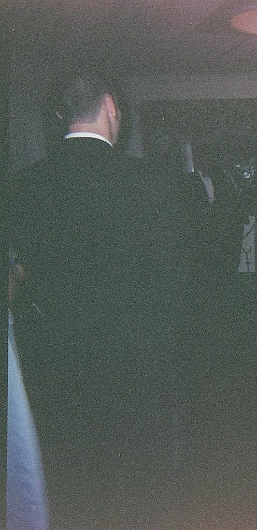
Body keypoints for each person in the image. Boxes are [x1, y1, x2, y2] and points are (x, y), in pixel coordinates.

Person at [9, 70, 180, 524]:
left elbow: (19, 277)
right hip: (133, 369)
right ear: (110, 106)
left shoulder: (23, 186)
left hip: (53, 366)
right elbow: (173, 286)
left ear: (62, 114)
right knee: (134, 491)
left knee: (71, 486)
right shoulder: (153, 183)